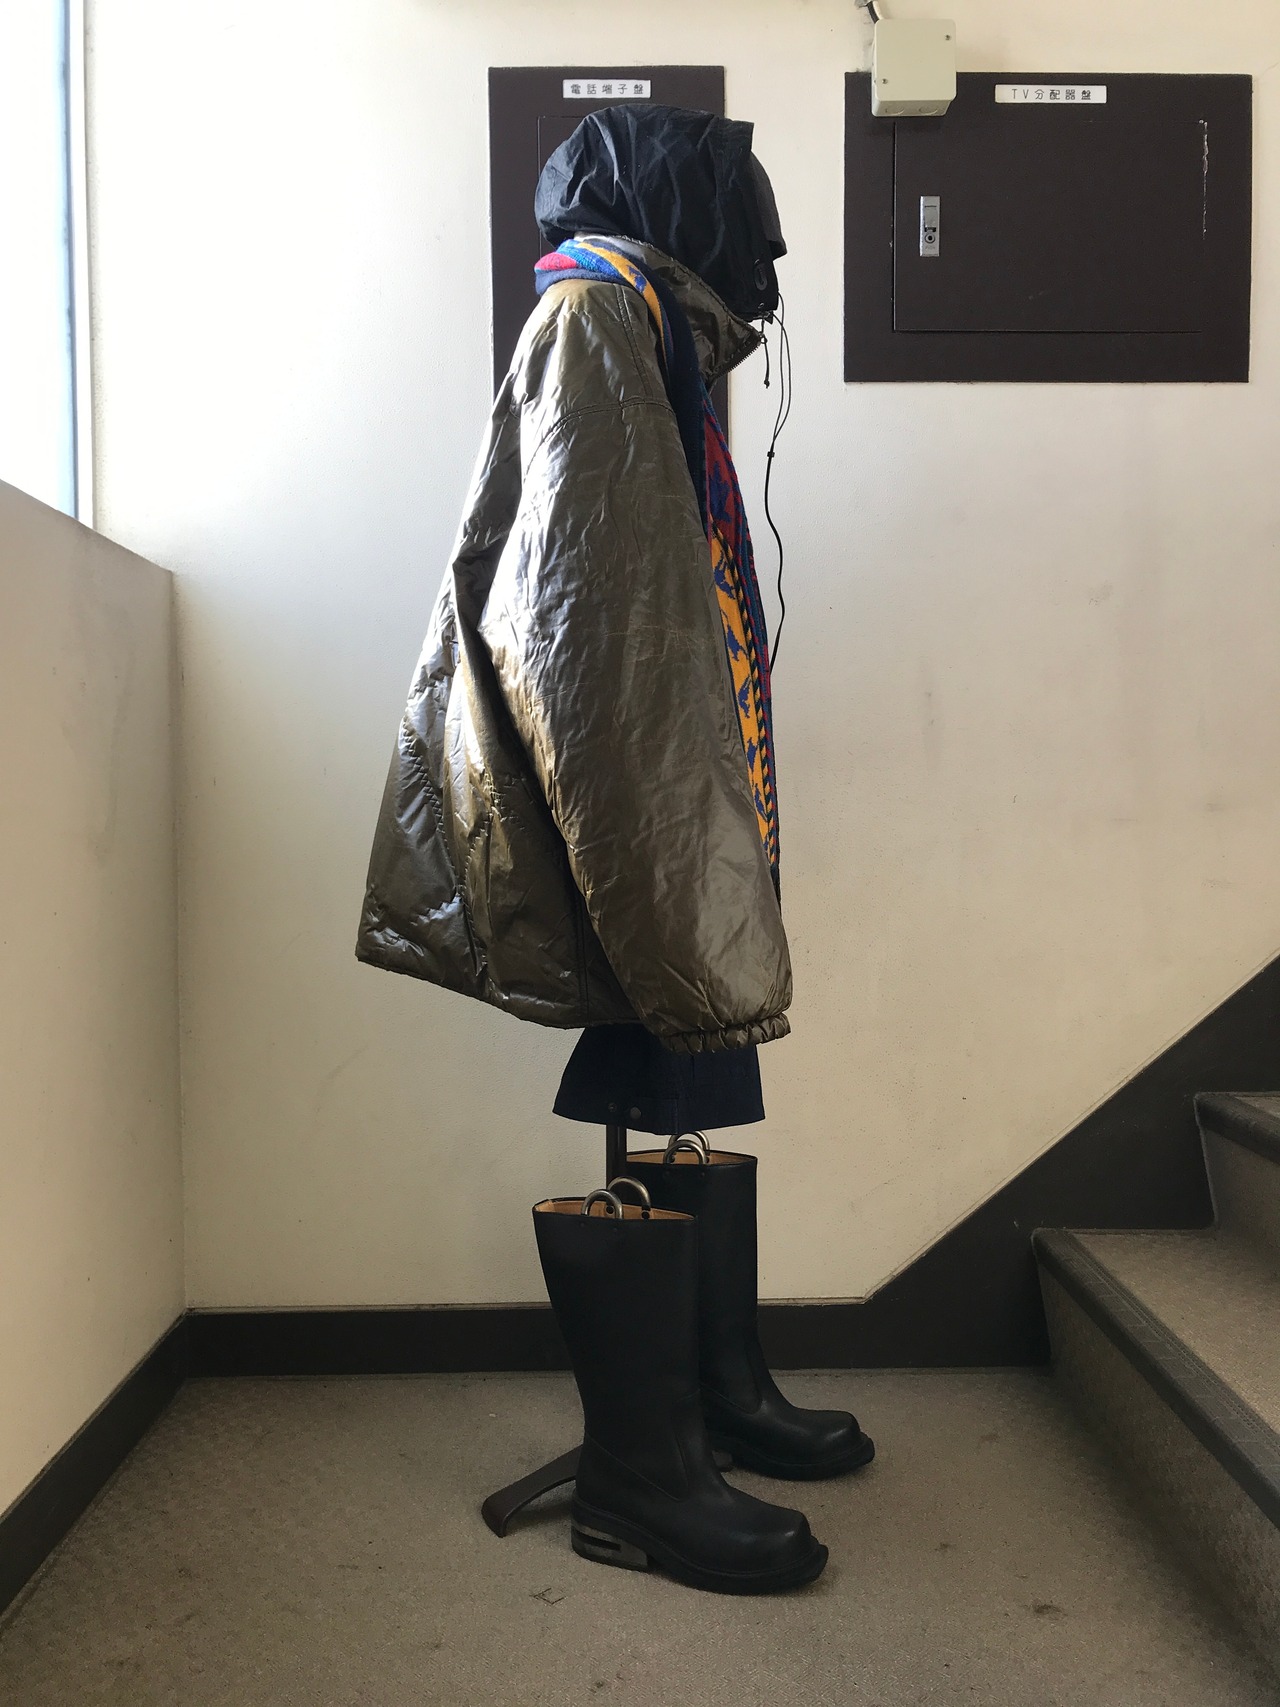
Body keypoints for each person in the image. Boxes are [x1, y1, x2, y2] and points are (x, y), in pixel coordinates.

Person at [357, 104, 872, 1594]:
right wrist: (657, 845)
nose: (772, 256)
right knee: (675, 1019)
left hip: (648, 783)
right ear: (685, 207)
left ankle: (710, 1398)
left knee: (689, 1074)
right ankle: (643, 1476)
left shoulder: (641, 325)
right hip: (612, 793)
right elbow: (585, 626)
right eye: (750, 219)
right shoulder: (599, 321)